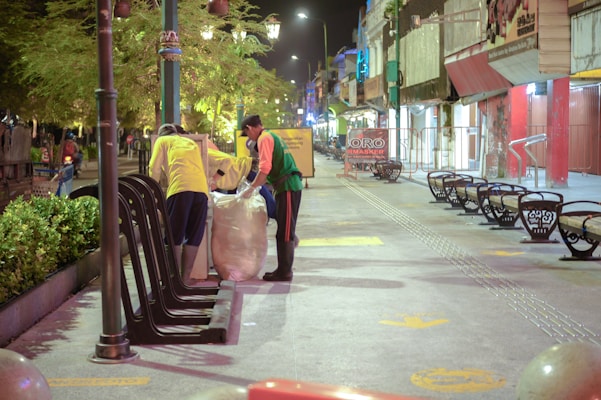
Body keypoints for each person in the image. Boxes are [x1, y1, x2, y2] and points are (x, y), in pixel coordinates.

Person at [240, 114, 302, 282]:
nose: (249, 138)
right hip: (284, 186)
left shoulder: (264, 138)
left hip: (289, 186)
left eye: (247, 134)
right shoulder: (270, 136)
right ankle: (282, 269)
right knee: (283, 229)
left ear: (251, 129)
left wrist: (251, 188)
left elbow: (265, 168)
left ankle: (285, 272)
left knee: (286, 231)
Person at [149, 123, 210, 285]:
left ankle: (173, 281)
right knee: (194, 234)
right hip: (201, 191)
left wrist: (152, 195)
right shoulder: (189, 142)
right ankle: (186, 278)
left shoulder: (162, 142)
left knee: (173, 234)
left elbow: (153, 169)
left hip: (180, 189)